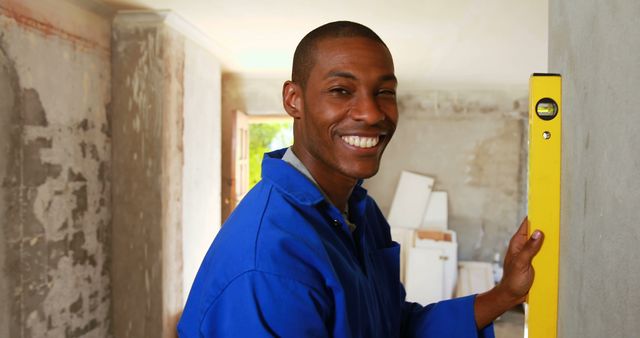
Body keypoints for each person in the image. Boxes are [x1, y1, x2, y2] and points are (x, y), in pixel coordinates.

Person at [178, 21, 544, 337]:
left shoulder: (360, 214)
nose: (371, 113)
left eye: (384, 92)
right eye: (341, 91)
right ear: (294, 100)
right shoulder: (270, 264)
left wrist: (507, 293)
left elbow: (393, 327)